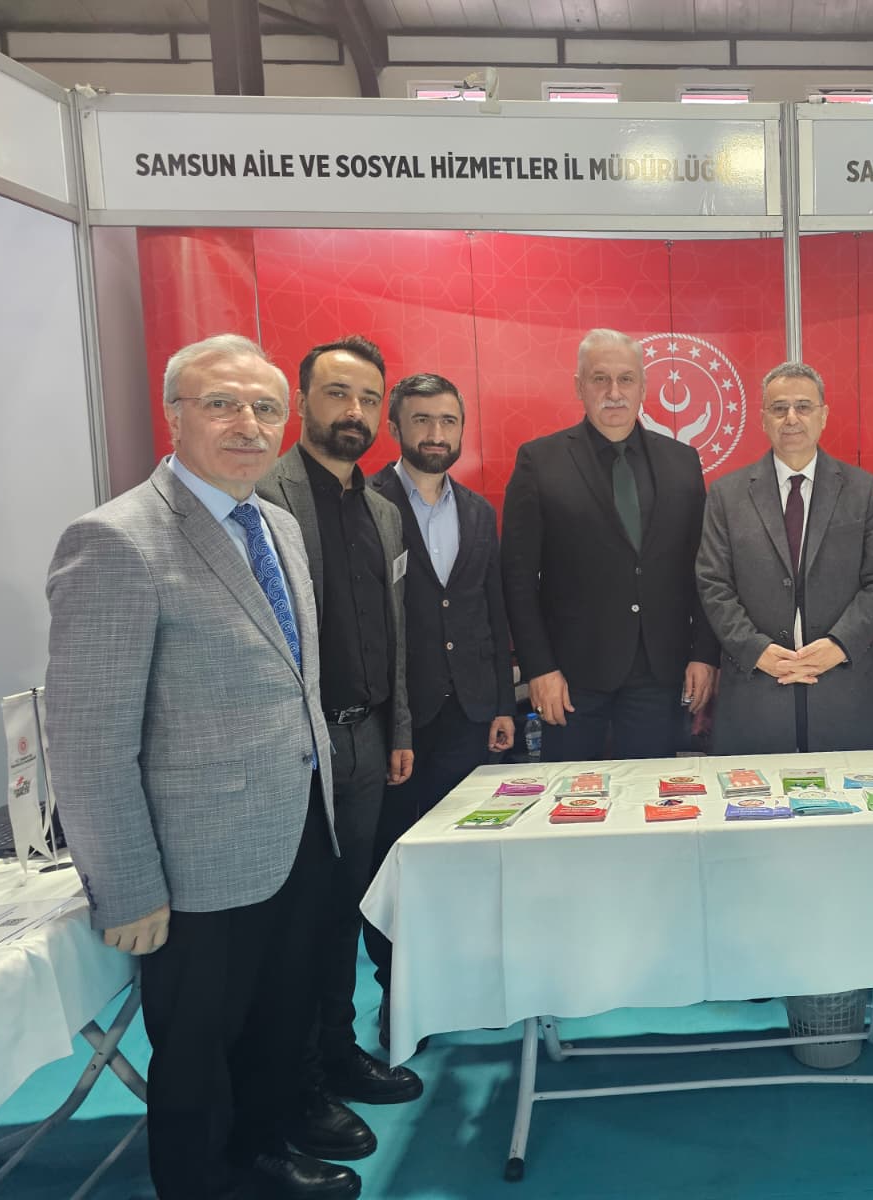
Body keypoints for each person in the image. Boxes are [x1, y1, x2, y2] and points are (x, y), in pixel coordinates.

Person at [45, 334, 359, 1199]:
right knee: (198, 1046)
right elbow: (88, 738)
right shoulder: (116, 541)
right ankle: (202, 1181)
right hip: (194, 860)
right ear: (174, 415)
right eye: (221, 403)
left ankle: (262, 1153)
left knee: (277, 1016)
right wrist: (126, 886)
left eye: (264, 408)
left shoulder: (276, 525)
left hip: (297, 825)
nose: (247, 424)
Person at [258, 335, 423, 1161]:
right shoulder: (265, 497)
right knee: (295, 925)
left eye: (367, 399)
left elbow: (389, 634)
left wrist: (398, 730)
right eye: (337, 394)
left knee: (342, 912)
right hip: (296, 750)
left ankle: (337, 1053)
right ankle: (297, 1089)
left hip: (364, 741)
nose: (353, 412)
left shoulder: (382, 509)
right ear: (302, 402)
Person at [366, 372, 514, 1051]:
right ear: (396, 425)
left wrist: (503, 700)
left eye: (448, 421)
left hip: (471, 710)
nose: (435, 433)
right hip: (398, 716)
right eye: (422, 419)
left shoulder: (478, 510)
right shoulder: (367, 503)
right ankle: (398, 991)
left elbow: (491, 609)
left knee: (466, 853)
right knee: (397, 858)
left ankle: (462, 981)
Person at [501, 328, 718, 761]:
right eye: (600, 378)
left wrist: (704, 654)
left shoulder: (683, 462)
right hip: (570, 679)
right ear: (579, 386)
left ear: (643, 386)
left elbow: (705, 569)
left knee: (652, 793)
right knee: (570, 795)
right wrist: (539, 668)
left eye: (626, 379)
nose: (614, 392)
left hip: (660, 672)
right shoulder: (539, 461)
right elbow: (517, 577)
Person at [696, 361, 873, 753]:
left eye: (803, 406)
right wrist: (756, 649)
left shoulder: (863, 490)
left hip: (845, 689)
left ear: (823, 415)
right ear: (763, 419)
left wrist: (839, 644)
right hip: (756, 690)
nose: (791, 417)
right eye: (779, 408)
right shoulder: (726, 495)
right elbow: (713, 584)